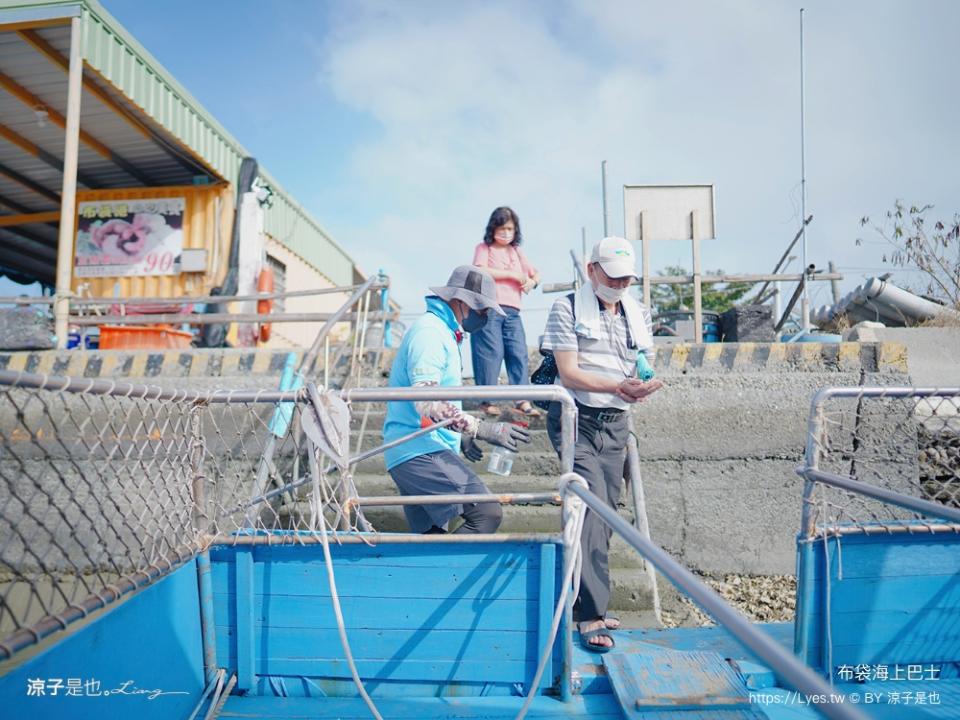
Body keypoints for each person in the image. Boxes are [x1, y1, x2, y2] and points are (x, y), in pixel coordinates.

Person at [541, 236, 663, 652]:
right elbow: (569, 372)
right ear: (592, 270)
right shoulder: (566, 308)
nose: (619, 285)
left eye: (626, 279)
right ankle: (590, 614)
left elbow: (640, 358)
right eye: (612, 277)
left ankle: (587, 600)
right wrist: (618, 384)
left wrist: (643, 379)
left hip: (616, 420)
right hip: (577, 419)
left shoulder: (636, 312)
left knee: (607, 513)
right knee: (591, 508)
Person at [383, 265, 531, 534]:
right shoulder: (430, 333)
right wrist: (480, 428)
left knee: (431, 541)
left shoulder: (444, 332)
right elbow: (425, 399)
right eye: (483, 309)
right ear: (463, 303)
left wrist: (457, 436)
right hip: (420, 450)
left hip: (415, 449)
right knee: (487, 513)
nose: (485, 316)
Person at [471, 206, 542, 417]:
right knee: (491, 353)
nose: (506, 233)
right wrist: (512, 275)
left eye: (510, 229)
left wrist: (532, 282)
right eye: (502, 228)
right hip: (489, 308)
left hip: (513, 311)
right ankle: (487, 400)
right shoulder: (484, 248)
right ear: (493, 228)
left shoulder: (517, 251)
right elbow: (480, 270)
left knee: (518, 353)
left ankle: (522, 400)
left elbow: (536, 273)